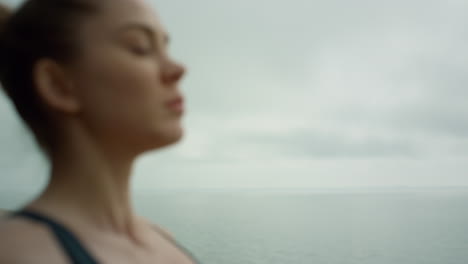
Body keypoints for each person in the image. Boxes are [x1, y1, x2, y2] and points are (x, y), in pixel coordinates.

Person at [0, 0, 199, 263]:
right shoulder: (20, 254)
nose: (178, 69)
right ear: (58, 85)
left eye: (165, 47)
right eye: (140, 48)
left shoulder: (162, 238)